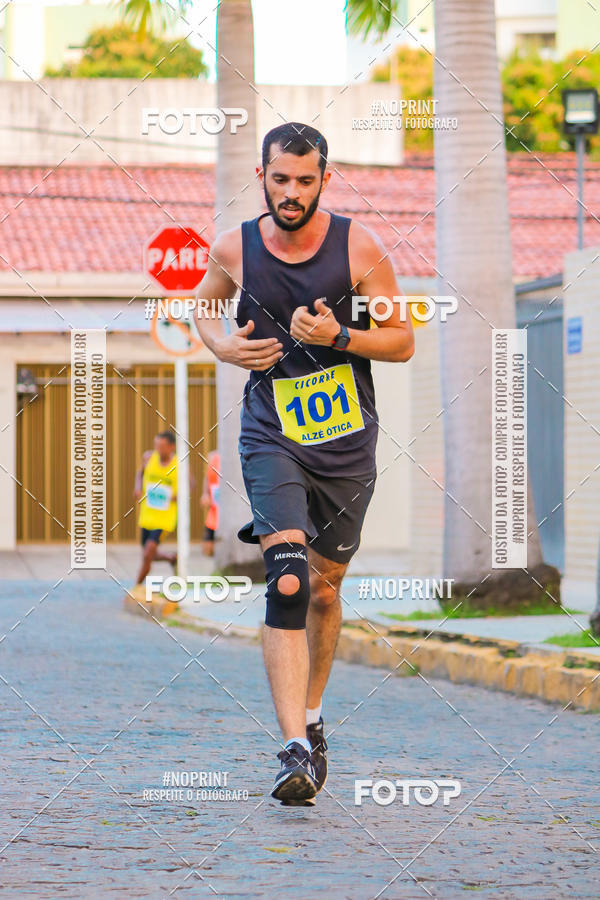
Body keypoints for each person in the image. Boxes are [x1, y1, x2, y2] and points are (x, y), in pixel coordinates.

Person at [194, 122, 414, 806]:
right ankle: (291, 747)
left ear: (325, 178)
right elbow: (201, 307)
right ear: (261, 175)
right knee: (287, 581)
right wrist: (221, 347)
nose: (291, 193)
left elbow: (403, 339)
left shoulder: (360, 247)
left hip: (346, 445)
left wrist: (340, 335)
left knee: (324, 590)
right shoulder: (236, 246)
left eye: (305, 180)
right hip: (271, 434)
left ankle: (313, 716)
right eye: (280, 179)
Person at [134, 431, 178, 586]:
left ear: (171, 447)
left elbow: (190, 486)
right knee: (148, 554)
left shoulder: (178, 465)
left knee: (148, 553)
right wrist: (138, 488)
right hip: (147, 515)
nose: (158, 449)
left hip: (164, 518)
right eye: (156, 445)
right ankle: (171, 558)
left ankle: (136, 586)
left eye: (162, 446)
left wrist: (173, 496)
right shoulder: (148, 458)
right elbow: (140, 474)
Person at [201, 450, 220, 556]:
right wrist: (205, 494)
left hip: (228, 512)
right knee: (207, 549)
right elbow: (207, 478)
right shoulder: (213, 456)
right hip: (214, 510)